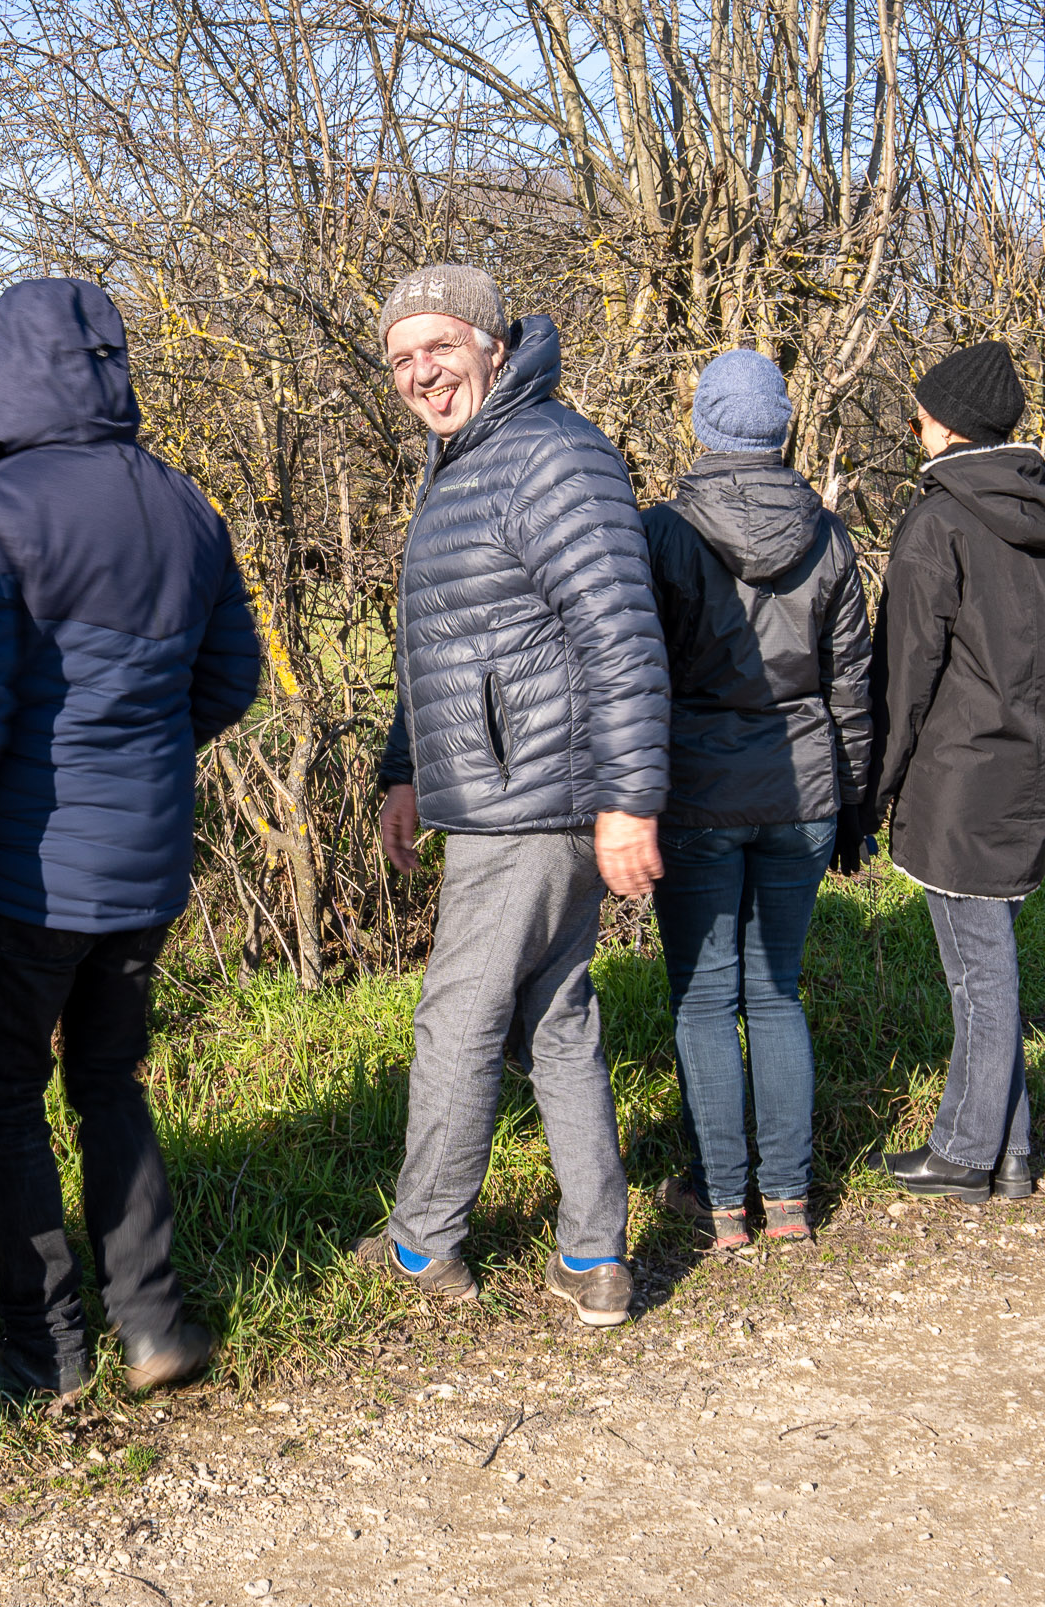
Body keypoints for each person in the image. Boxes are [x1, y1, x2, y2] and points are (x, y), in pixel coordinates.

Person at [0, 277, 260, 1402]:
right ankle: (154, 1321)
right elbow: (230, 680)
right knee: (109, 1080)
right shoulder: (184, 502)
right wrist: (146, 752)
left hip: (25, 870)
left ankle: (46, 1346)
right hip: (147, 858)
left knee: (1, 1095)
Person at [354, 264, 669, 1328]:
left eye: (437, 346)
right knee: (556, 1016)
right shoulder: (468, 461)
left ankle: (422, 1243)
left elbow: (620, 633)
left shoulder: (549, 455)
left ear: (493, 341)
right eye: (399, 359)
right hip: (497, 787)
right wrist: (405, 768)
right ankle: (593, 1255)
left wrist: (629, 798)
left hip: (531, 801)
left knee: (456, 1021)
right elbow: (442, 643)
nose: (419, 372)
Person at [641, 348, 872, 1252]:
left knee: (704, 1000)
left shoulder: (663, 533)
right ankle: (787, 1204)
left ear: (703, 426)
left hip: (697, 793)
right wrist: (853, 805)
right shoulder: (829, 535)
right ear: (781, 427)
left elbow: (638, 680)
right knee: (775, 993)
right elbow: (853, 686)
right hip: (803, 789)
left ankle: (721, 1204)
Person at [864, 340, 1045, 1204]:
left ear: (947, 422)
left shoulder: (939, 519)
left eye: (920, 410)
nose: (914, 423)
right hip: (1031, 762)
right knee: (988, 959)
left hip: (959, 776)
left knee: (979, 971)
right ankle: (1012, 1152)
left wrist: (873, 785)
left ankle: (962, 1153)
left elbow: (904, 673)